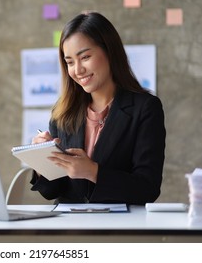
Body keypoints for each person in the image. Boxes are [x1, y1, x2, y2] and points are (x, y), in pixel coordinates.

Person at [30, 12, 166, 205]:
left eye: (85, 57)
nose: (77, 70)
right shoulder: (62, 112)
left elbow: (147, 189)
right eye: (69, 62)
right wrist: (41, 161)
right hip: (69, 228)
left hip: (119, 228)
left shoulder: (145, 108)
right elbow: (53, 191)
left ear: (109, 52)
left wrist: (93, 172)